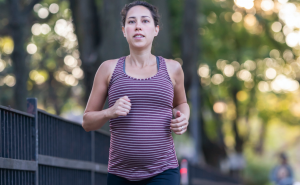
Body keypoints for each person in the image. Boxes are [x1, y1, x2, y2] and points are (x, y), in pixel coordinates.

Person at [82, 1, 190, 184]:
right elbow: (87, 122)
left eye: (145, 21)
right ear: (124, 31)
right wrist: (110, 112)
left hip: (163, 171)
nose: (138, 26)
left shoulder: (173, 68)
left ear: (156, 29)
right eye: (131, 22)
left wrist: (183, 118)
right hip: (119, 174)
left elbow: (181, 104)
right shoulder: (108, 69)